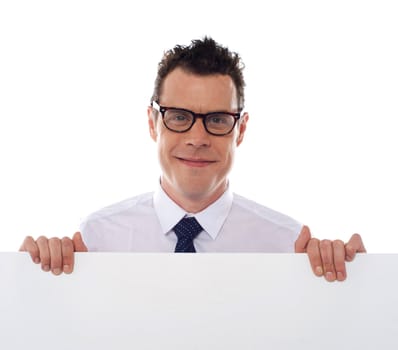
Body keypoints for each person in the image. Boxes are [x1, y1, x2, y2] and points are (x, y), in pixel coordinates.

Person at [20, 37, 366, 281]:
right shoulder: (95, 240)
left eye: (217, 120)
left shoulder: (288, 245)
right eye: (179, 117)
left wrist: (360, 289)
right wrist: (25, 281)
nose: (197, 139)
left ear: (240, 130)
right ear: (153, 123)